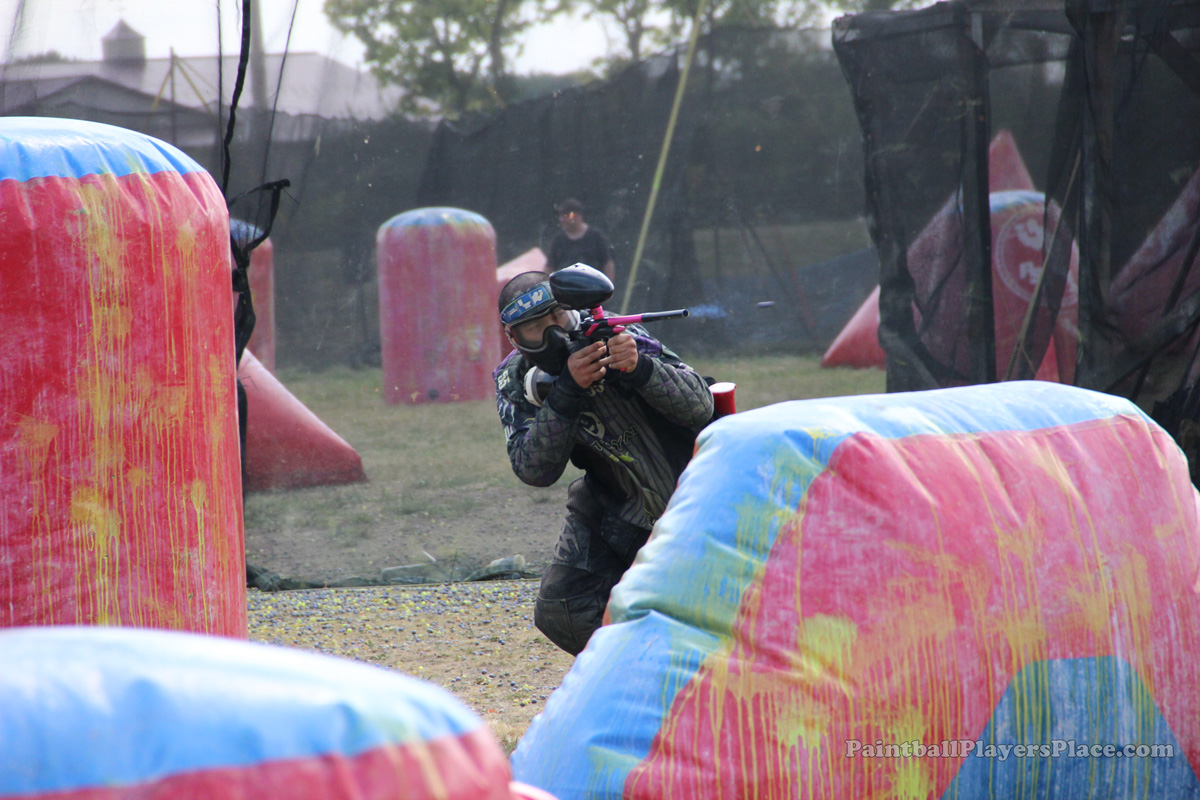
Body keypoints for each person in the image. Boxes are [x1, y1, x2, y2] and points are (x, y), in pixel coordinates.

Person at [494, 268, 714, 655]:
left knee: (716, 604)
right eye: (535, 328)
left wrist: (640, 368)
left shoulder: (613, 333)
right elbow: (534, 469)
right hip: (616, 506)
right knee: (563, 610)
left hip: (694, 492)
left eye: (557, 317)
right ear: (514, 337)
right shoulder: (515, 379)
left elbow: (700, 405)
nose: (553, 334)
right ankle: (642, 669)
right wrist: (566, 393)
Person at [547, 199, 616, 281]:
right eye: (561, 216)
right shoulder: (558, 240)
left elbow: (608, 265)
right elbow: (549, 268)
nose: (562, 220)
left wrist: (607, 286)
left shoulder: (596, 237)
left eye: (567, 215)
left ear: (579, 216)